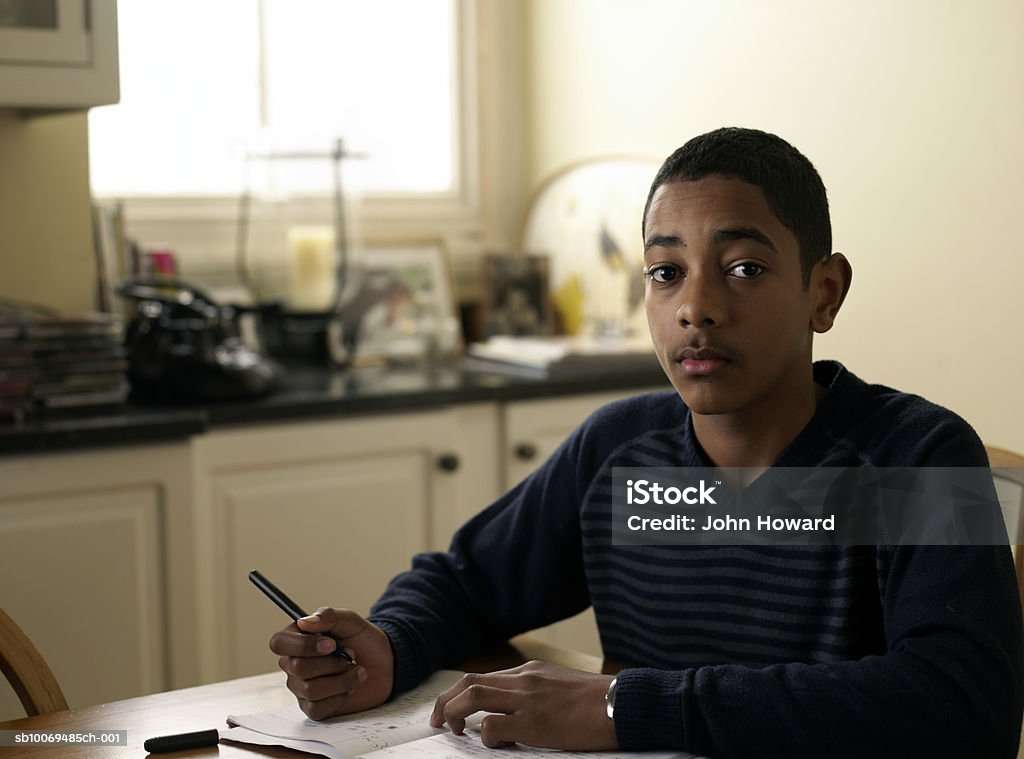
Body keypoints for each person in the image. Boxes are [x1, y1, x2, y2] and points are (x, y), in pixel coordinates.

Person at [270, 128, 1023, 758]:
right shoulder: (620, 453)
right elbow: (462, 582)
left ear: (822, 292)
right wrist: (390, 649)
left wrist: (625, 705)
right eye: (666, 272)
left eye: (745, 268)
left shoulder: (915, 455)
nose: (696, 307)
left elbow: (963, 703)